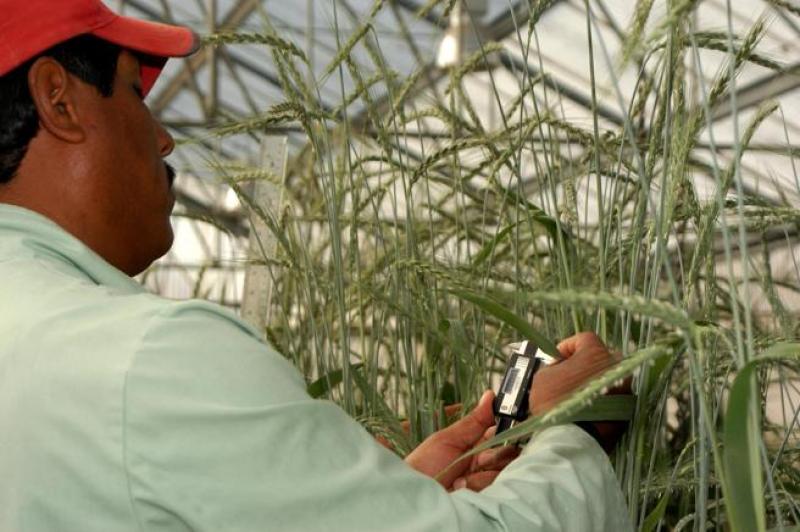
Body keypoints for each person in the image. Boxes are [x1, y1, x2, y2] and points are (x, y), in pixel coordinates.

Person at [0, 1, 633, 530]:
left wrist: (394, 497)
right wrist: (571, 430)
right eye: (136, 93)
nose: (163, 138)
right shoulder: (147, 361)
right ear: (57, 100)